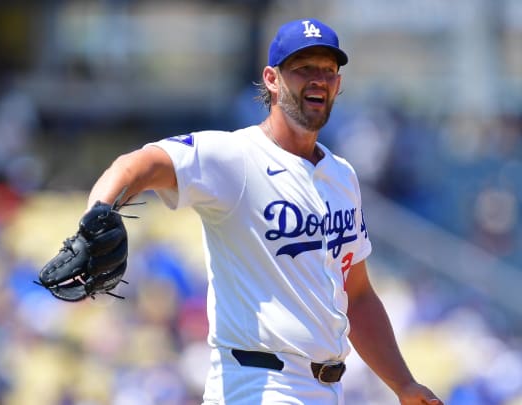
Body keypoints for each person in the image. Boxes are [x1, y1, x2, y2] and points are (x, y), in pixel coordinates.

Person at [83, 18, 443, 404]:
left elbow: (357, 297)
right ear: (272, 79)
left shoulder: (342, 176)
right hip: (257, 384)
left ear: (338, 84)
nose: (318, 79)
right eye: (304, 68)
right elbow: (141, 164)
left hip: (326, 389)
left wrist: (403, 384)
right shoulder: (236, 156)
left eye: (328, 70)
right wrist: (97, 214)